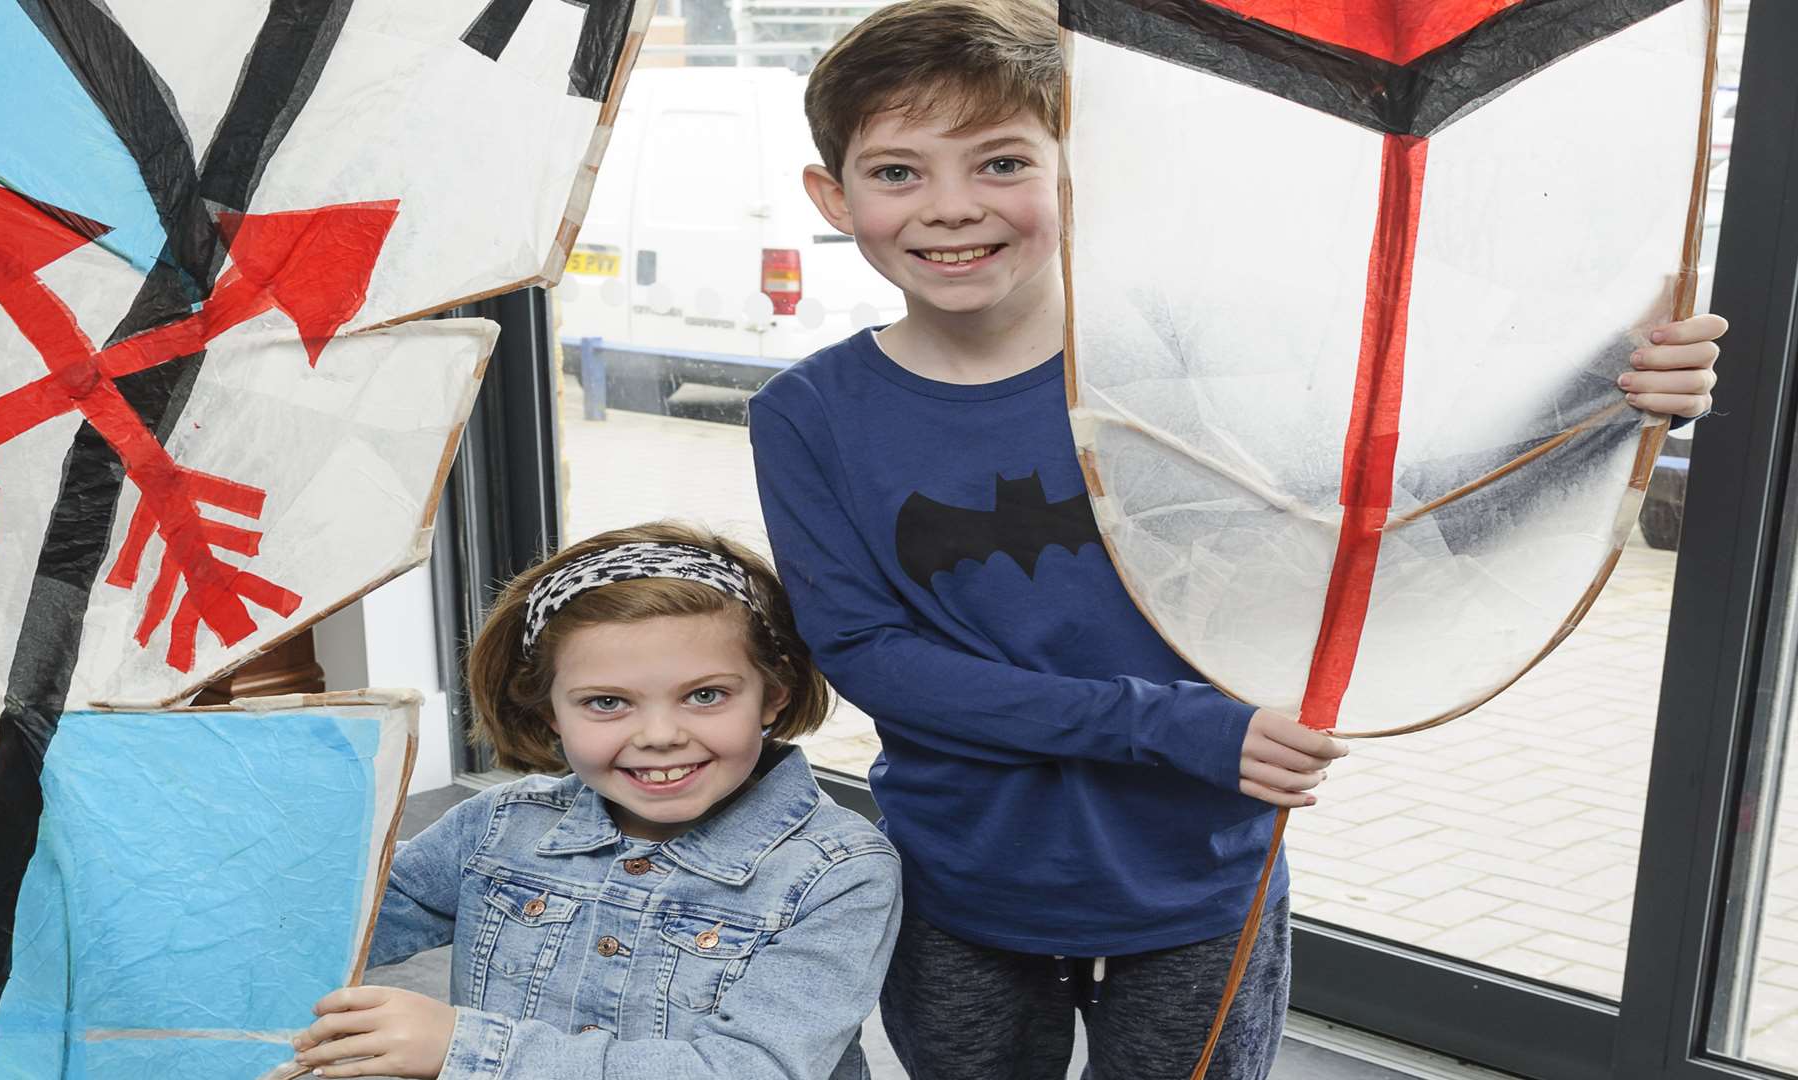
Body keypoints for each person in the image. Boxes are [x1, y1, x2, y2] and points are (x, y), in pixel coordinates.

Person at [747, 1, 1728, 1077]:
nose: (950, 208)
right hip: (964, 876)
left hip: (1199, 868)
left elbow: (1381, 511)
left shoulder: (1174, 355)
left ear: (1079, 176)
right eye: (898, 173)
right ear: (832, 197)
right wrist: (1177, 729)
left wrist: (1611, 399)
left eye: (1001, 162)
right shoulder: (807, 413)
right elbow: (872, 658)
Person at [288, 522, 902, 1080]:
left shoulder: (843, 874)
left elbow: (754, 1068)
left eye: (706, 695)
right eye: (607, 702)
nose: (660, 735)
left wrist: (464, 1049)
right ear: (547, 712)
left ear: (774, 694)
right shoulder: (498, 827)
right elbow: (322, 928)